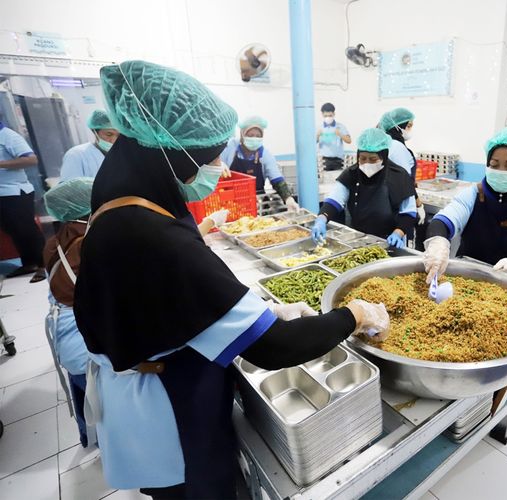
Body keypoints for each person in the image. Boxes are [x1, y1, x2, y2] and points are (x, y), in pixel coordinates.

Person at [73, 60, 389, 500]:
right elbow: (275, 348)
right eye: (209, 157)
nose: (219, 168)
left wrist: (261, 310)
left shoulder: (120, 189)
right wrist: (353, 314)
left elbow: (165, 298)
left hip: (147, 377)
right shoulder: (155, 237)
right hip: (171, 412)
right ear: (169, 152)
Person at [423, 127, 507, 282]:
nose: (501, 171)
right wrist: (438, 243)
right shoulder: (474, 193)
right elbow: (443, 221)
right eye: (494, 165)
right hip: (467, 276)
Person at [42, 177, 96, 447]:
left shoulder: (55, 242)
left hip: (65, 339)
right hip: (87, 347)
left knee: (82, 389)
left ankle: (88, 434)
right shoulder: (91, 243)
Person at [312, 128, 417, 248]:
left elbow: (409, 213)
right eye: (362, 158)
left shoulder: (399, 176)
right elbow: (334, 201)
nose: (367, 163)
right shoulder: (351, 173)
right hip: (359, 238)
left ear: (384, 156)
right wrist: (321, 219)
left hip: (389, 240)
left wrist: (398, 233)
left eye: (373, 159)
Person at [220, 115, 299, 211]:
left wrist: (288, 199)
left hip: (257, 203)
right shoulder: (230, 147)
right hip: (230, 203)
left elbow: (277, 179)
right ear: (242, 134)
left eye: (258, 136)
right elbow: (214, 165)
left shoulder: (264, 154)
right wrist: (218, 164)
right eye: (250, 135)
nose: (254, 139)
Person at [0, 120, 46, 282]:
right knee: (13, 230)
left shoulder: (8, 136)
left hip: (15, 192)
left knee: (26, 229)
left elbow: (31, 160)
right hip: (2, 194)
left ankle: (44, 265)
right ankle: (29, 263)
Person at [379, 107, 426, 226]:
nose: (410, 130)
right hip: (400, 204)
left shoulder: (387, 143)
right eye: (408, 126)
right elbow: (405, 180)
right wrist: (418, 204)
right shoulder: (397, 147)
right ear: (398, 126)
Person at [60, 109, 120, 181]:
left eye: (119, 135)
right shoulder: (77, 155)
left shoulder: (124, 154)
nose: (114, 140)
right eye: (109, 134)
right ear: (95, 132)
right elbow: (70, 186)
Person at [317, 102, 351, 171]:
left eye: (330, 115)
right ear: (322, 114)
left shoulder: (340, 126)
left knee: (339, 177)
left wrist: (340, 134)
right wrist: (317, 135)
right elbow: (312, 143)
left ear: (334, 114)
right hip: (324, 160)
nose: (328, 118)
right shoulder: (319, 127)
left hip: (338, 160)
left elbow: (349, 141)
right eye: (326, 116)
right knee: (323, 177)